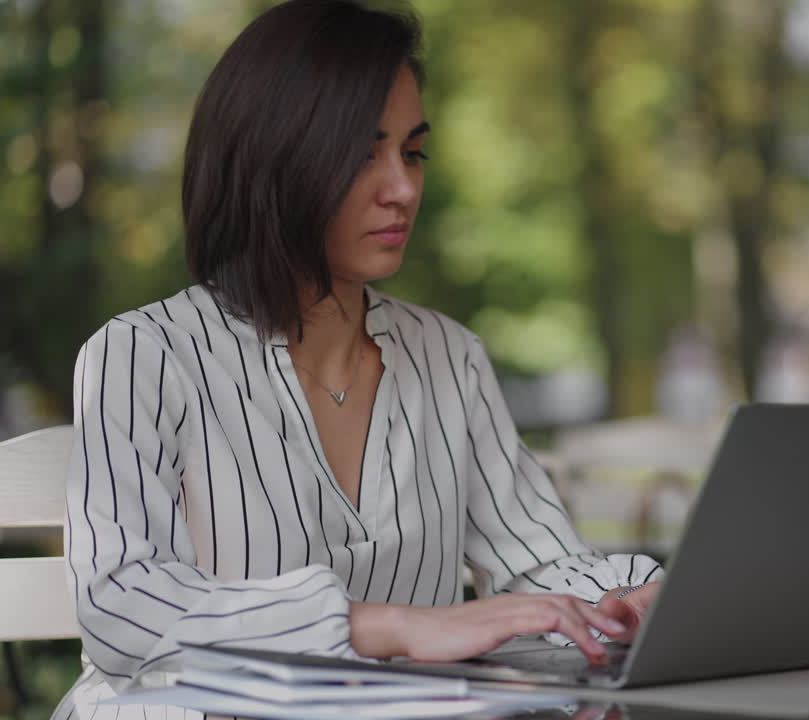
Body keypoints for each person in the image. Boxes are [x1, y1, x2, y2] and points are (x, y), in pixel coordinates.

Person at [52, 1, 662, 717]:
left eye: (412, 152)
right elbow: (120, 604)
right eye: (363, 154)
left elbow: (537, 562)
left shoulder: (450, 357)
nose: (402, 188)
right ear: (274, 159)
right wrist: (390, 626)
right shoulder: (142, 355)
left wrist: (626, 599)